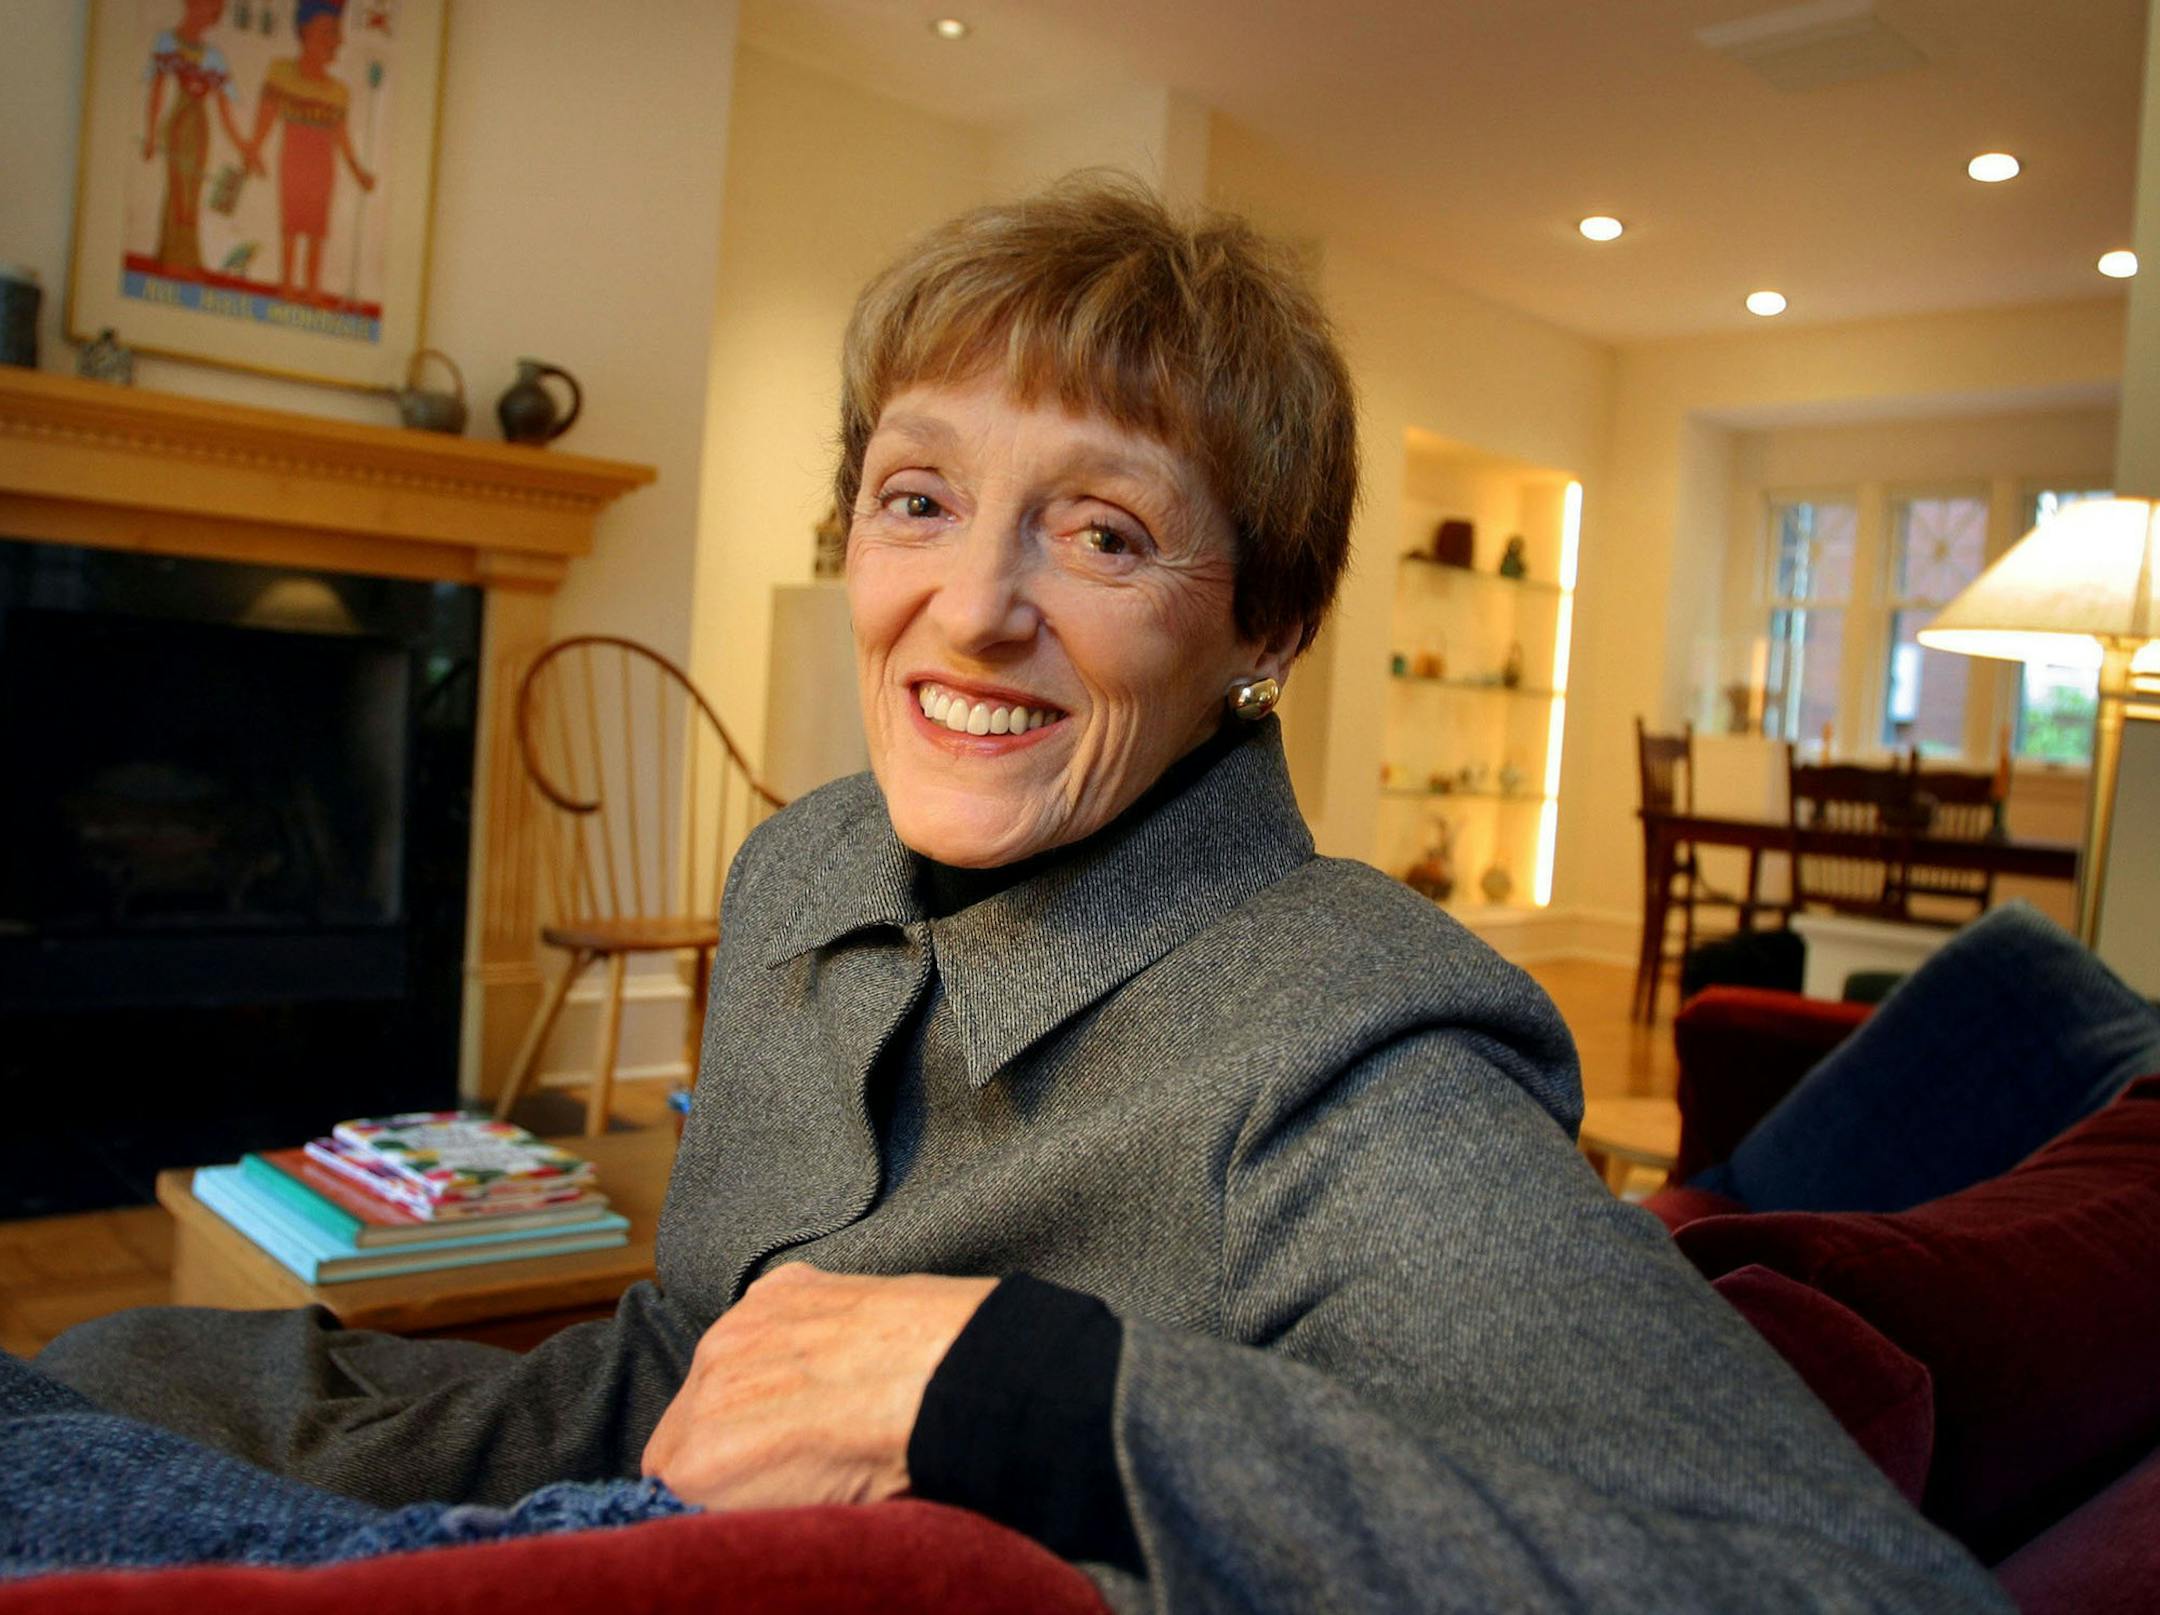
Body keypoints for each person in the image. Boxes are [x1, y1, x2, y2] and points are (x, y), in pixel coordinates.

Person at [28, 181, 2004, 1610]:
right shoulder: (805, 860)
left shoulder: (1351, 1051)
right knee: (104, 1379)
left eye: (1107, 529)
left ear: (1269, 624)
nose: (971, 607)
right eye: (920, 496)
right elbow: (687, 1348)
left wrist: (1013, 1391)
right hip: (615, 1478)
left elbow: (1824, 1579)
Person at [238, 0, 375, 306]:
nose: (336, 41)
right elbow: (266, 115)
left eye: (337, 33)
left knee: (316, 229)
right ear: (306, 32)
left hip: (322, 168)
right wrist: (252, 150)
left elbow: (342, 136)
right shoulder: (281, 72)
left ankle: (312, 290)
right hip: (294, 163)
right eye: (328, 32)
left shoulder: (338, 91)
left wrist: (358, 171)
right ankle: (287, 286)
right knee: (291, 225)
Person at [140, 0, 255, 276]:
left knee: (193, 194)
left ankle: (187, 258)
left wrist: (246, 150)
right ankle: (171, 257)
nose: (210, 14)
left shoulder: (213, 55)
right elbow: (156, 91)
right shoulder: (167, 41)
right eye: (207, 6)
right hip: (178, 124)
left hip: (200, 129)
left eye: (215, 10)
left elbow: (226, 114)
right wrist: (151, 135)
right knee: (179, 192)